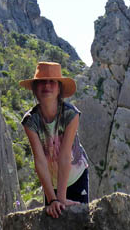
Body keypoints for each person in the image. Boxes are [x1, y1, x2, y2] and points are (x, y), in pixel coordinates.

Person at [20, 62, 89, 219]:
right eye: (42, 81)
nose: (47, 86)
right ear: (35, 88)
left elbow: (64, 156)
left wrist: (62, 199)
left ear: (59, 88)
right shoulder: (31, 121)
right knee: (54, 217)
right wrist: (52, 199)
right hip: (51, 183)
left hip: (76, 176)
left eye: (52, 81)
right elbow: (40, 161)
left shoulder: (71, 115)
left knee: (80, 221)